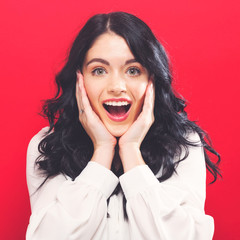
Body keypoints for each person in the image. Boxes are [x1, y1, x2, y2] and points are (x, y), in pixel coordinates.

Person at [26, 12, 221, 240]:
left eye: (133, 70)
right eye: (99, 70)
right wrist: (102, 151)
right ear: (80, 80)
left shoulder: (182, 146)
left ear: (153, 79)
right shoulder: (47, 147)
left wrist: (130, 150)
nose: (116, 86)